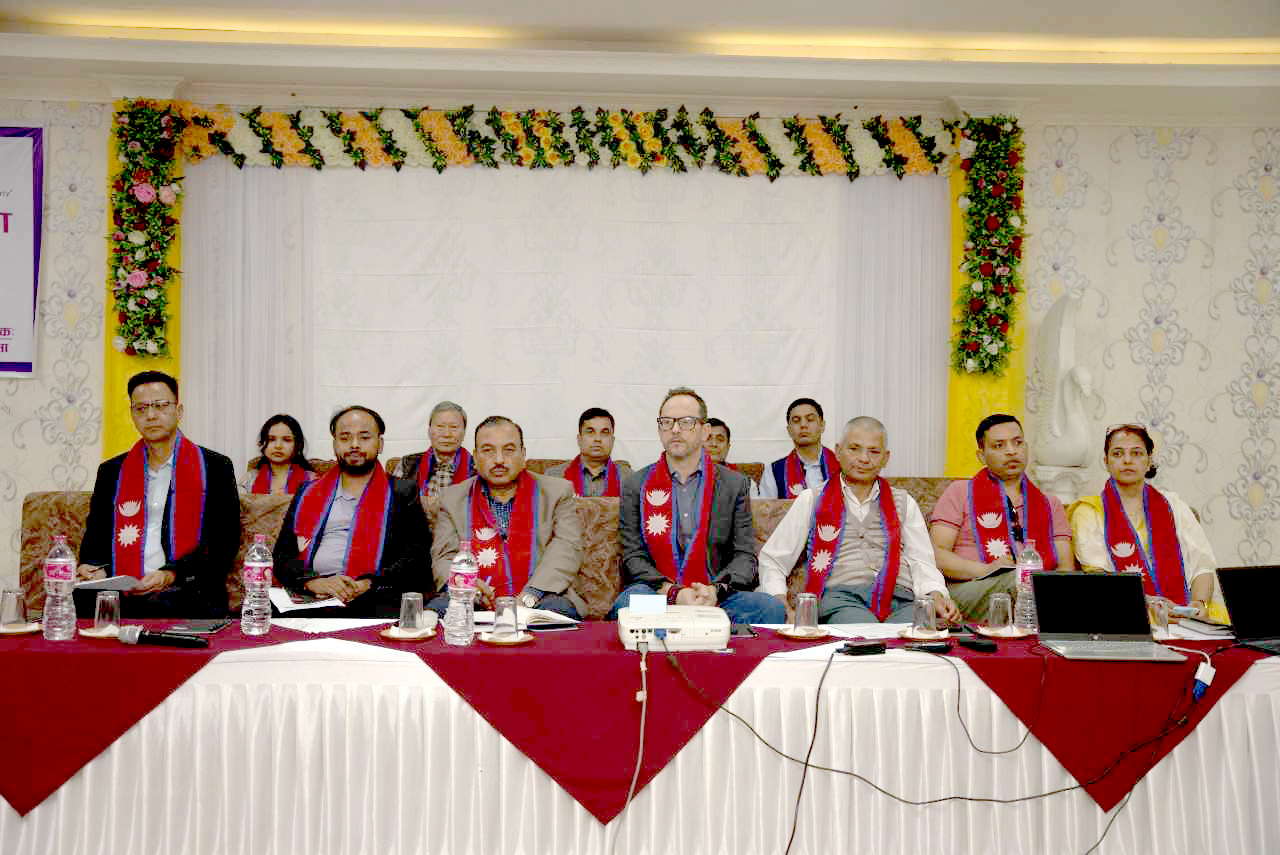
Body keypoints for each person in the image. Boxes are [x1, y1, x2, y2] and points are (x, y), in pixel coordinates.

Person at [757, 417, 960, 623]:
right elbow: (773, 559)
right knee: (866, 634)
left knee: (917, 632)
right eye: (854, 449)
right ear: (838, 451)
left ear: (885, 458)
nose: (864, 459)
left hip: (901, 598)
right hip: (841, 598)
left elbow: (921, 560)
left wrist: (936, 593)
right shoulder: (812, 499)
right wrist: (779, 601)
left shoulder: (903, 502)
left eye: (874, 451)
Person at [611, 387, 784, 623]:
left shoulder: (734, 484)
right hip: (660, 596)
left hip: (714, 597)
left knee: (770, 609)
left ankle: (689, 628)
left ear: (705, 432)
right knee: (627, 605)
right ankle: (695, 627)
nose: (674, 429)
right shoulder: (636, 485)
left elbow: (744, 557)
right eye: (666, 422)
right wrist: (674, 593)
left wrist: (714, 591)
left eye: (686, 422)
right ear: (659, 429)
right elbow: (633, 557)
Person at [75, 371, 240, 617]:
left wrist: (171, 573)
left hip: (186, 586)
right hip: (123, 586)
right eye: (141, 408)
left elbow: (224, 542)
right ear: (132, 415)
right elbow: (96, 536)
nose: (151, 415)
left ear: (178, 411)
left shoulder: (215, 467)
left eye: (160, 406)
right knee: (78, 597)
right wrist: (93, 567)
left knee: (166, 603)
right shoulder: (112, 471)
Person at [273, 406, 431, 617]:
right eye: (345, 438)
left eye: (364, 437)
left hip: (375, 596)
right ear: (335, 444)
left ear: (380, 444)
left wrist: (368, 583)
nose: (354, 445)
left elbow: (417, 559)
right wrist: (312, 582)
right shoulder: (307, 492)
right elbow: (282, 556)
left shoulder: (402, 492)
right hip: (313, 595)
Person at [430, 416, 585, 618]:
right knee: (437, 611)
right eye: (488, 450)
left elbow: (567, 548)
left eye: (509, 450)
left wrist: (530, 595)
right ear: (475, 457)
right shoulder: (453, 498)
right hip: (472, 598)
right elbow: (443, 558)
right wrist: (470, 587)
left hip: (541, 597)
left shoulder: (557, 492)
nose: (499, 460)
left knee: (559, 609)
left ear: (523, 454)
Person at [929, 414, 1072, 621]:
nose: (1011, 451)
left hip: (1034, 589)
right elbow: (936, 555)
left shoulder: (1050, 504)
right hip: (969, 588)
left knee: (1054, 586)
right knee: (1024, 580)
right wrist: (986, 570)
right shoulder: (960, 492)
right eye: (999, 445)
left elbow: (1065, 568)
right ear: (981, 456)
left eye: (1017, 443)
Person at [1069, 424, 1215, 614]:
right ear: (1106, 461)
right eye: (1117, 454)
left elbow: (1202, 567)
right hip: (1124, 614)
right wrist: (1151, 604)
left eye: (1136, 453)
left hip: (1185, 614)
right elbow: (1100, 581)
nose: (1127, 460)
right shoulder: (1089, 512)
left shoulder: (1174, 505)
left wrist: (1200, 604)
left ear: (1148, 461)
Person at [392, 401, 475, 512]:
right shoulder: (406, 464)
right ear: (429, 431)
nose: (446, 434)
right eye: (440, 427)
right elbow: (392, 507)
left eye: (454, 427)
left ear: (464, 432)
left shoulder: (477, 468)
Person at [755, 397, 840, 499]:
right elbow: (766, 508)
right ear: (789, 430)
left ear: (822, 426)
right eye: (796, 421)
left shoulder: (842, 466)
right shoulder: (774, 472)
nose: (803, 425)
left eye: (810, 419)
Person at [544, 407, 632, 497]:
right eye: (590, 432)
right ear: (579, 439)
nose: (597, 439)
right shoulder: (554, 477)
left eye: (604, 433)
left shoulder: (630, 479)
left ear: (612, 441)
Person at [242, 414, 316, 495]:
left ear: (298, 445)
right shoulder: (249, 480)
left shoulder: (311, 481)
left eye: (286, 440)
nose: (278, 446)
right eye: (271, 439)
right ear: (261, 444)